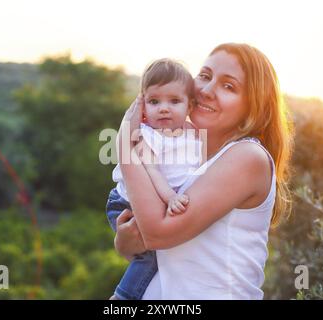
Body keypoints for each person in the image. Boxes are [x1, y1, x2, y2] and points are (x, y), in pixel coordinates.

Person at [113, 43, 293, 299]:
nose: (207, 90)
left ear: (253, 107)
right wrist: (124, 244)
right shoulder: (189, 157)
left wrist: (124, 145)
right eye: (205, 76)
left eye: (228, 86)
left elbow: (157, 233)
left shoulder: (248, 157)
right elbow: (170, 253)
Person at [106, 58, 203, 300]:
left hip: (158, 203)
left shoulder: (193, 134)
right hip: (126, 204)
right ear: (143, 108)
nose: (163, 108)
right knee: (152, 255)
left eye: (174, 101)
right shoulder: (148, 136)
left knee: (164, 255)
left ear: (190, 105)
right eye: (154, 101)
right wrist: (171, 197)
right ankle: (122, 298)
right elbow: (152, 171)